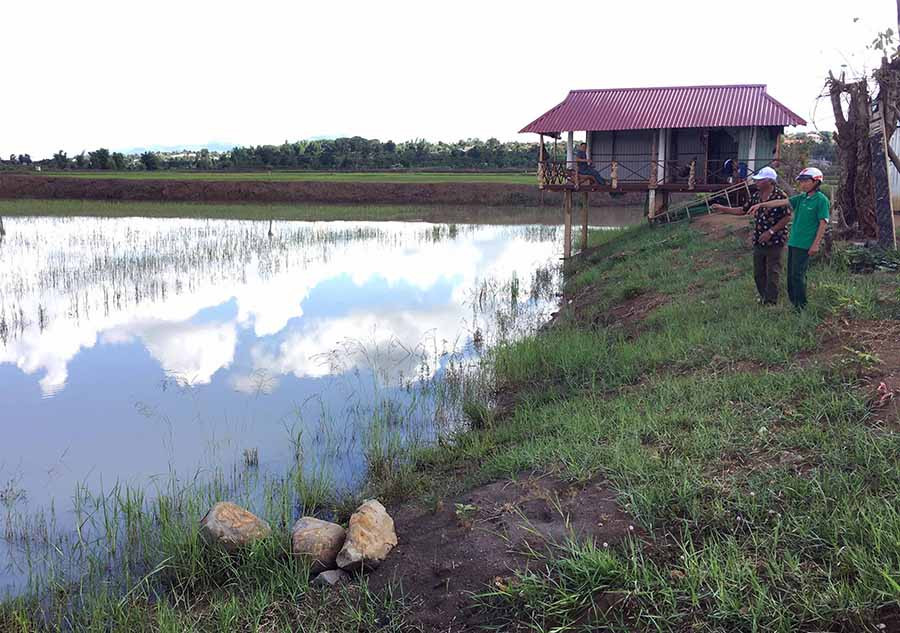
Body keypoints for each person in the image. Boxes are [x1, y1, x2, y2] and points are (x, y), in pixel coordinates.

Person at [744, 167, 829, 309]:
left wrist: (816, 244)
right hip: (794, 242)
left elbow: (823, 223)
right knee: (791, 275)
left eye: (806, 181)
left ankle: (800, 306)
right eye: (801, 181)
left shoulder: (821, 200)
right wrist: (761, 204)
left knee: (798, 275)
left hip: (806, 244)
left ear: (816, 182)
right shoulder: (802, 198)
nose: (802, 184)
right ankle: (793, 303)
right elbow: (781, 202)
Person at [712, 166, 791, 305]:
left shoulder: (780, 196)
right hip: (759, 239)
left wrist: (771, 231)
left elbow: (787, 217)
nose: (756, 182)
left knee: (773, 271)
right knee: (758, 272)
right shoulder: (756, 196)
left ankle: (771, 301)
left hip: (776, 239)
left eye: (760, 180)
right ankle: (763, 297)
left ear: (769, 181)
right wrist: (723, 208)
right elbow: (743, 210)